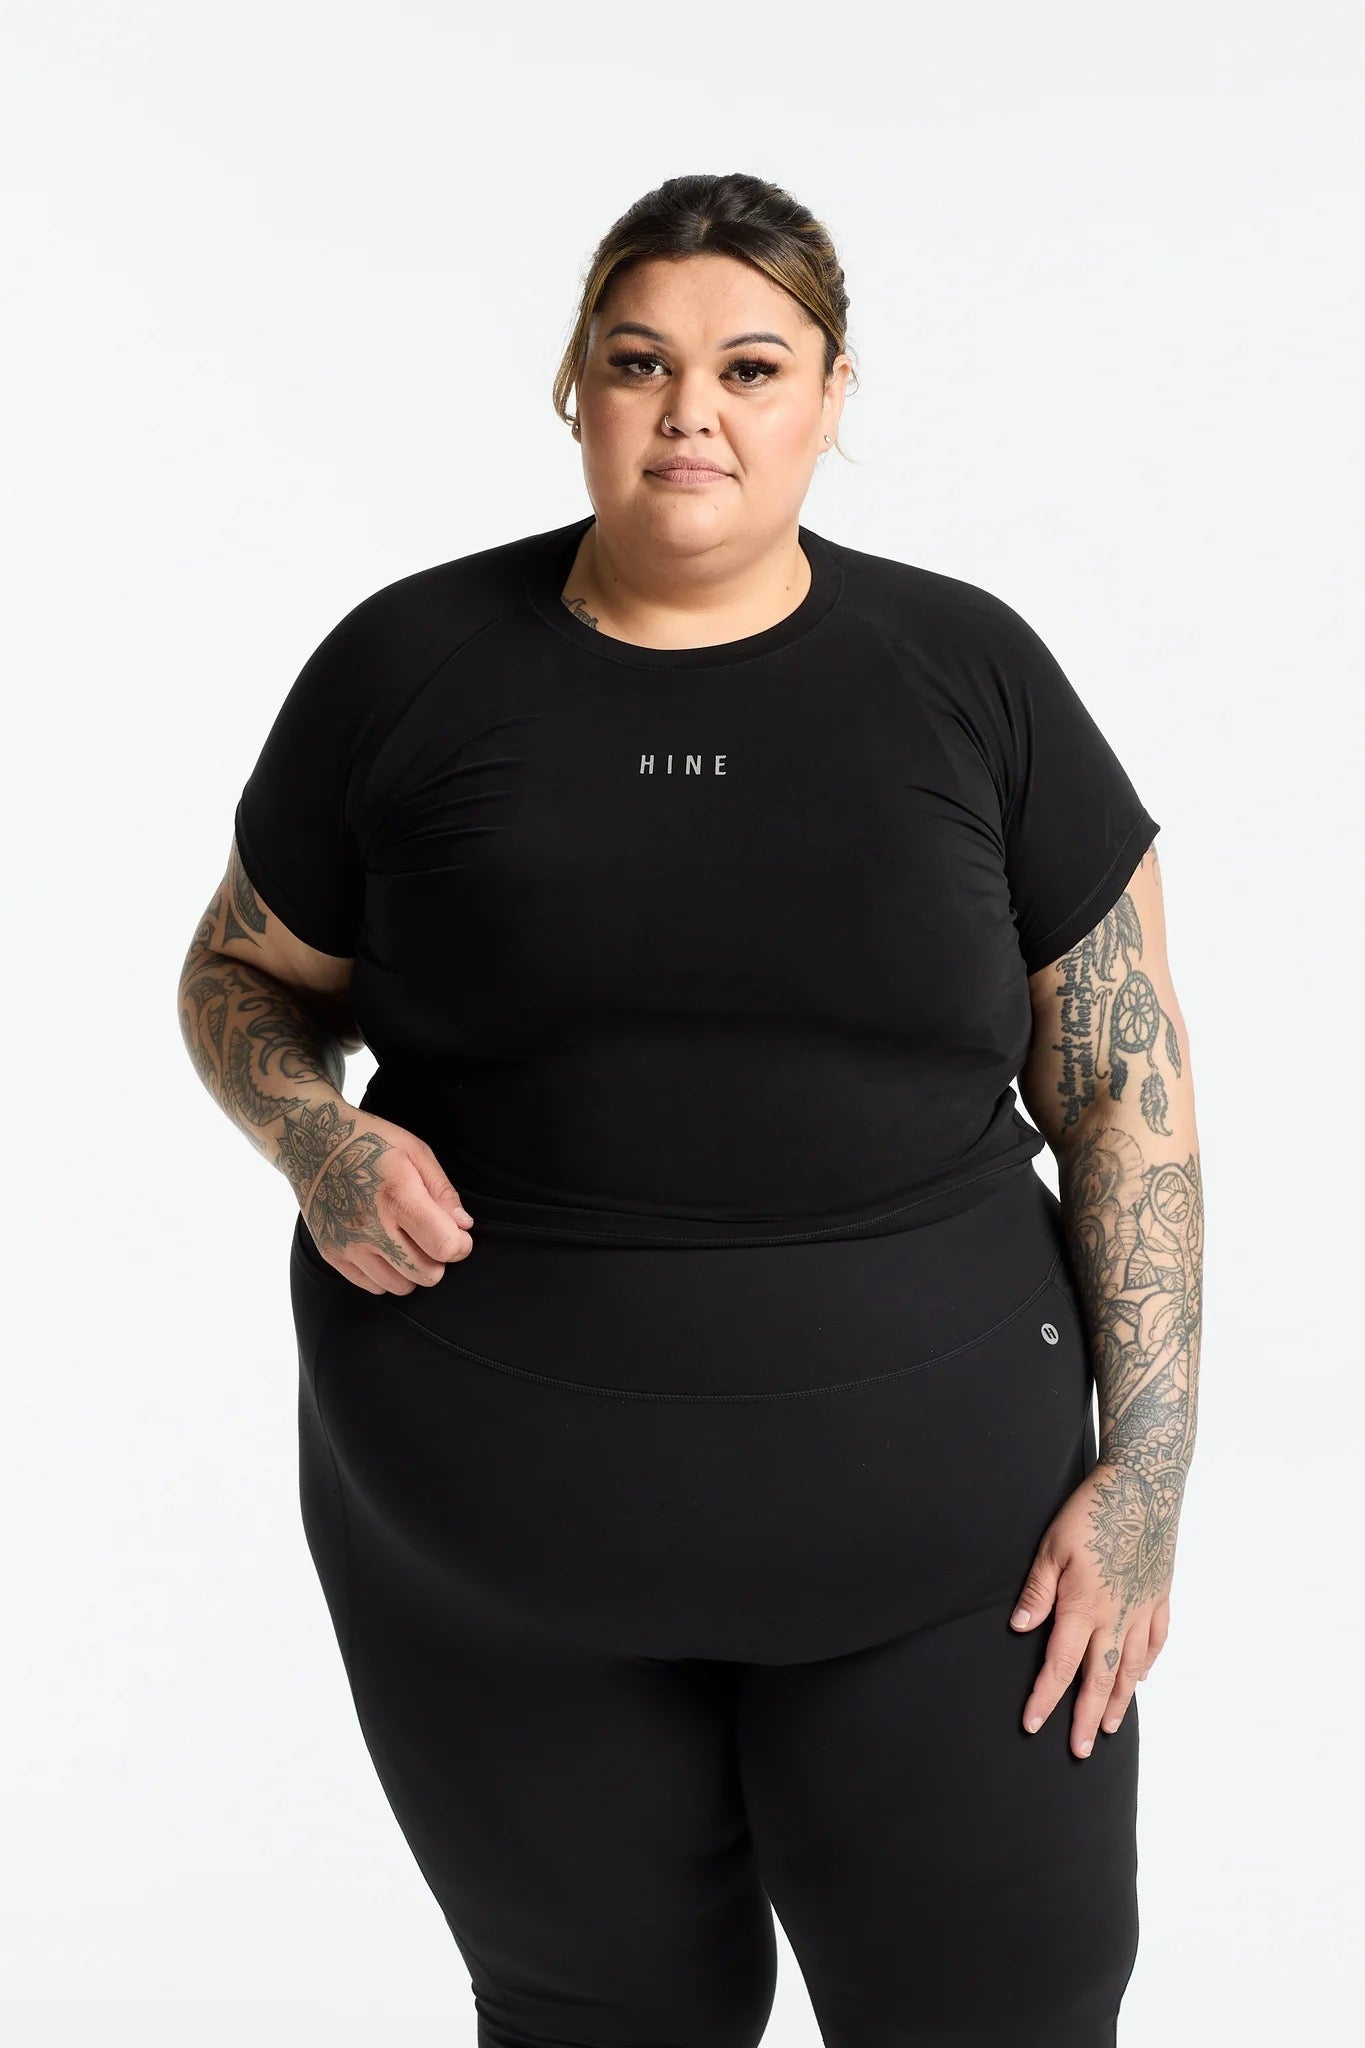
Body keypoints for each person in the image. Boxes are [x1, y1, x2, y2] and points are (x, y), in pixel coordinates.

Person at [177, 170, 1202, 2048]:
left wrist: (1145, 1476)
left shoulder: (968, 674)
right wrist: (318, 1138)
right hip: (486, 1545)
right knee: (591, 2017)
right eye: (640, 362)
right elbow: (239, 978)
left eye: (749, 367)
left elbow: (1124, 1091)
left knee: (999, 2011)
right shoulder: (408, 667)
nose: (690, 412)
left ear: (829, 395)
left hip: (950, 1543)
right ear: (575, 385)